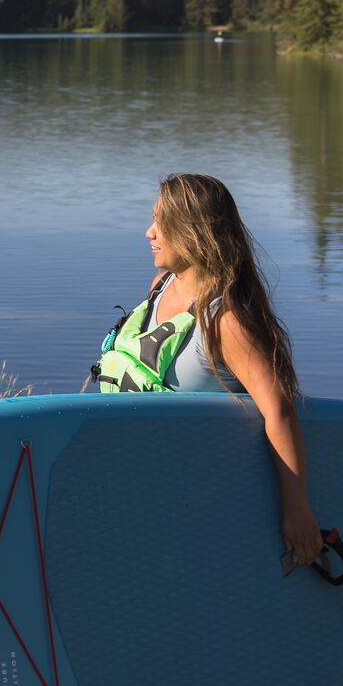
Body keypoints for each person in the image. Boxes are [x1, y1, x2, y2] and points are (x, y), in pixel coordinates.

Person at [90, 172, 324, 568]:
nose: (149, 233)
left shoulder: (226, 321)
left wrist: (297, 510)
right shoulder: (161, 285)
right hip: (132, 481)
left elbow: (279, 410)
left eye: (160, 223)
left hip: (192, 494)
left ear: (192, 231)